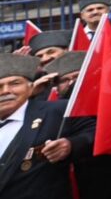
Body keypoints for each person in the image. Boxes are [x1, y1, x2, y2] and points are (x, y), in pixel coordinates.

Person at [0, 54, 95, 199]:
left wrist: (71, 145)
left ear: (31, 87)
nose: (5, 91)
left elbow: (97, 132)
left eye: (15, 83)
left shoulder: (56, 111)